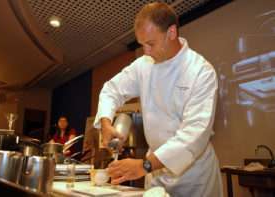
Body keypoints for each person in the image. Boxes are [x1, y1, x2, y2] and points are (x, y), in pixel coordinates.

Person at [93, 2, 223, 197]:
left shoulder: (201, 71)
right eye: (142, 44)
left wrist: (145, 165)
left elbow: (194, 135)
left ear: (171, 32)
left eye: (151, 44)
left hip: (194, 179)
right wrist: (105, 123)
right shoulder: (144, 65)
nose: (146, 51)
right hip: (155, 175)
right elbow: (111, 90)